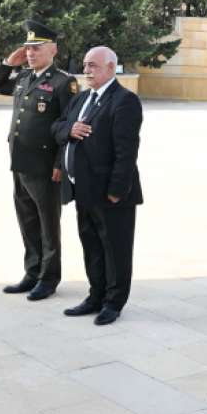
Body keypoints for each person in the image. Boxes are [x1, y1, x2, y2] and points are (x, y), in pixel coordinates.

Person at [0, 20, 78, 300]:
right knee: (27, 220)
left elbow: (68, 126)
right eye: (27, 48)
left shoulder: (64, 82)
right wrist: (8, 63)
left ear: (53, 50)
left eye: (36, 48)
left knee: (48, 225)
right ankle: (32, 272)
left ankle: (48, 279)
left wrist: (59, 164)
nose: (30, 53)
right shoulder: (25, 77)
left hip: (45, 167)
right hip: (20, 163)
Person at [55, 46, 143, 326]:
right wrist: (70, 130)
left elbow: (126, 153)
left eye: (93, 65)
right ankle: (95, 296)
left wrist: (116, 192)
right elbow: (57, 127)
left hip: (110, 195)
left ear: (110, 68)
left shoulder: (125, 101)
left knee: (115, 251)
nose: (86, 70)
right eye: (85, 65)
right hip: (83, 190)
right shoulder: (81, 98)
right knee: (92, 247)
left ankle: (113, 303)